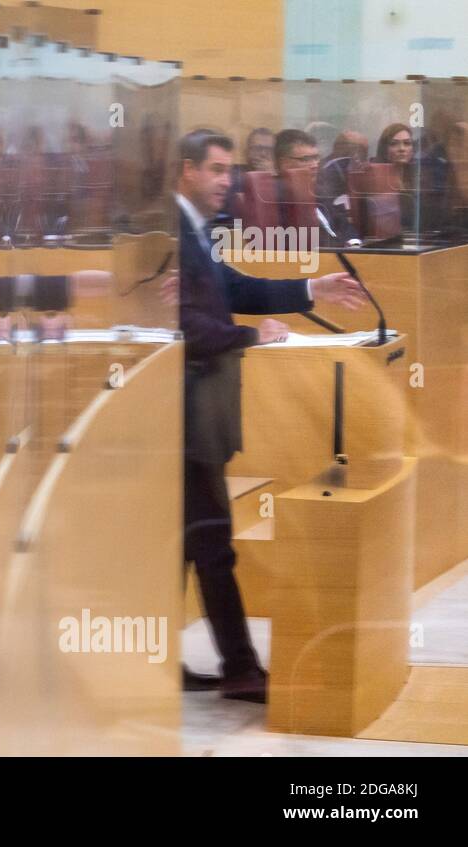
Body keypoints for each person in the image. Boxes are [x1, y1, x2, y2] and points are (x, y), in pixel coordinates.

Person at [171, 129, 365, 703]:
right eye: (216, 170)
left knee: (185, 543)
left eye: (230, 170)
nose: (228, 181)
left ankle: (157, 660)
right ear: (186, 170)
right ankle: (238, 668)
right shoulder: (167, 233)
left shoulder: (196, 230)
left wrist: (311, 288)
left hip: (202, 409)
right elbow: (183, 326)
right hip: (183, 414)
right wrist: (250, 336)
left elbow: (233, 286)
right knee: (211, 542)